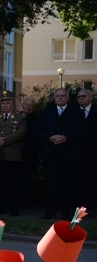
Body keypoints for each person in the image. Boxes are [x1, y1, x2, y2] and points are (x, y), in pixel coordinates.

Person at [38, 87, 83, 219]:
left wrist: (66, 137)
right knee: (50, 184)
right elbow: (41, 130)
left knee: (67, 185)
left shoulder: (76, 112)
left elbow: (80, 131)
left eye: (63, 96)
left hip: (68, 154)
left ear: (68, 98)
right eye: (58, 96)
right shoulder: (47, 112)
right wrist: (50, 137)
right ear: (54, 98)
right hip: (51, 154)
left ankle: (66, 214)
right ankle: (49, 212)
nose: (60, 97)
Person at [0, 90, 26, 216]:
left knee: (12, 183)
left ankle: (13, 208)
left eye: (8, 103)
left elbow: (21, 133)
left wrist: (5, 140)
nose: (5, 105)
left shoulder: (20, 118)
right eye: (3, 103)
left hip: (12, 156)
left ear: (13, 104)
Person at [76, 88, 97, 210]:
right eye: (79, 97)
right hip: (77, 154)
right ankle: (81, 207)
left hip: (94, 153)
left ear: (91, 98)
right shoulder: (73, 112)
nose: (81, 99)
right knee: (79, 181)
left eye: (84, 96)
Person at [21, 96, 41, 209]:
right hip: (15, 154)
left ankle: (26, 203)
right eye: (26, 105)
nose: (28, 107)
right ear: (22, 105)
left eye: (31, 105)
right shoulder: (16, 116)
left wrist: (22, 137)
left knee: (27, 179)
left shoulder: (37, 119)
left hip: (29, 154)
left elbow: (37, 136)